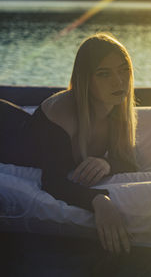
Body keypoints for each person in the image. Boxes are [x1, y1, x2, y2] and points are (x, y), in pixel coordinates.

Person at [0, 32, 138, 254]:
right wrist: (99, 200)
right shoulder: (62, 113)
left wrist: (106, 163)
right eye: (104, 74)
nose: (119, 81)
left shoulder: (115, 109)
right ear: (86, 79)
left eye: (124, 70)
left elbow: (128, 161)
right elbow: (52, 182)